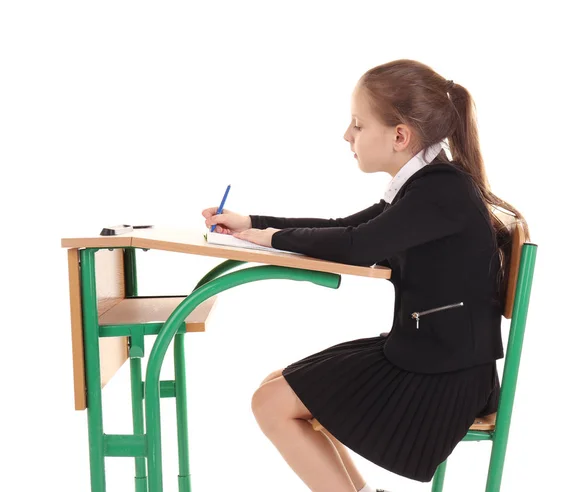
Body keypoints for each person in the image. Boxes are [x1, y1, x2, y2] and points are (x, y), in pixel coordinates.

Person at [202, 59, 530, 491]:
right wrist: (252, 223)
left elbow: (356, 246)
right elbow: (348, 229)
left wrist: (267, 237)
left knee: (272, 403)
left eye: (358, 124)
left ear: (399, 136)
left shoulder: (440, 191)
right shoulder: (427, 187)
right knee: (275, 390)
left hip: (443, 377)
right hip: (430, 355)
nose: (346, 135)